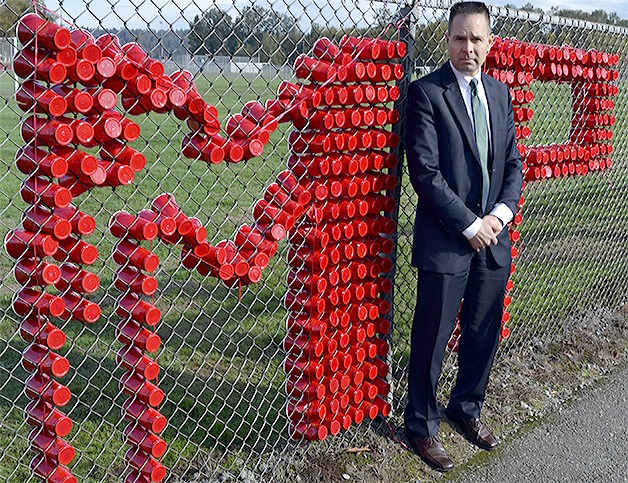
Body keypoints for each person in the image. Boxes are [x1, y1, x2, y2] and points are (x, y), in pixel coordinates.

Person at [403, 1, 523, 472]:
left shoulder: (499, 93)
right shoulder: (426, 94)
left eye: (476, 39)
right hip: (448, 241)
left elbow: (513, 161)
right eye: (459, 38)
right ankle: (421, 426)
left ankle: (466, 408)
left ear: (490, 42)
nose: (467, 47)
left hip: (495, 237)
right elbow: (426, 174)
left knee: (482, 332)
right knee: (431, 338)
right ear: (447, 39)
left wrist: (499, 214)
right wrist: (470, 224)